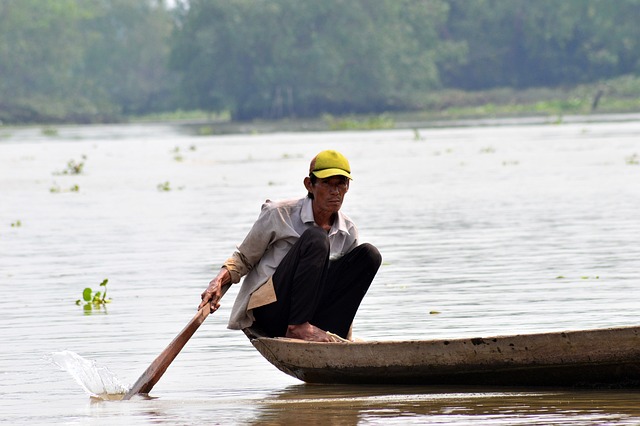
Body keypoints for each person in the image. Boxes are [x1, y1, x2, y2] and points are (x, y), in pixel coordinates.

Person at [199, 150, 381, 342]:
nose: (335, 192)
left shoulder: (347, 231)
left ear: (347, 187)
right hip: (271, 312)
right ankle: (298, 327)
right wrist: (218, 281)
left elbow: (344, 288)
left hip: (315, 315)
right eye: (327, 183)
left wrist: (345, 338)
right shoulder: (279, 214)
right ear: (309, 185)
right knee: (316, 238)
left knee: (369, 255)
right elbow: (243, 258)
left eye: (341, 184)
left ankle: (319, 330)